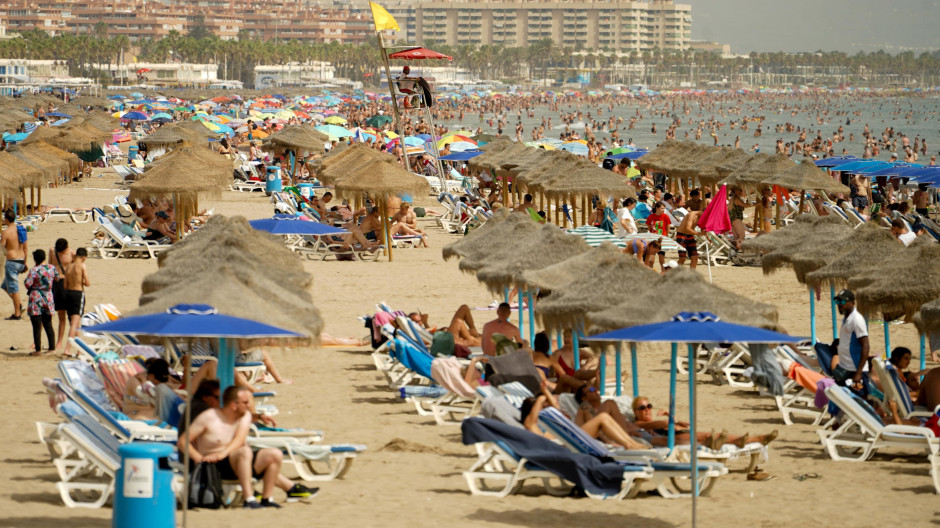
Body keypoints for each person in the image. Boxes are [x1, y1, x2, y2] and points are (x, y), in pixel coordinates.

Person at [178, 386, 317, 508]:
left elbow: (239, 440)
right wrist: (199, 458)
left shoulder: (244, 417)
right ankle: (249, 498)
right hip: (215, 466)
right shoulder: (209, 417)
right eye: (245, 402)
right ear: (233, 405)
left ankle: (267, 498)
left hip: (233, 458)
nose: (249, 405)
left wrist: (223, 453)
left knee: (274, 454)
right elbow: (183, 441)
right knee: (244, 451)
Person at [520, 381, 649, 450]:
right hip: (569, 443)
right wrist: (540, 398)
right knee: (602, 418)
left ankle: (630, 443)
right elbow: (531, 420)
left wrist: (545, 393)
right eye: (542, 408)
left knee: (587, 407)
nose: (545, 408)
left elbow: (555, 407)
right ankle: (629, 444)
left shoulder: (544, 421)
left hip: (572, 436)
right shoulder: (532, 426)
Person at [629, 395, 777, 449]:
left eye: (649, 406)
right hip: (670, 439)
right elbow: (661, 425)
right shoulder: (637, 425)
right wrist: (670, 419)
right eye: (642, 408)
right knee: (708, 436)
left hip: (676, 435)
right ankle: (753, 439)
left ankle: (744, 440)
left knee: (711, 436)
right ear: (635, 412)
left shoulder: (651, 423)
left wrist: (672, 418)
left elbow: (674, 424)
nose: (647, 410)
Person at [830, 289, 870, 395]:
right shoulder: (846, 318)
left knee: (861, 402)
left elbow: (865, 346)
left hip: (855, 370)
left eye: (843, 302)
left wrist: (859, 372)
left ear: (852, 303)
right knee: (838, 399)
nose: (839, 305)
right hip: (844, 367)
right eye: (837, 302)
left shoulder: (857, 320)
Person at [24, 249, 58, 355]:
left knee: (36, 325)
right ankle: (52, 348)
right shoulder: (52, 268)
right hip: (48, 296)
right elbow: (57, 279)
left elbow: (27, 284)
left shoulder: (34, 270)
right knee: (48, 323)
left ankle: (38, 349)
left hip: (36, 297)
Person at [408, 304, 482, 348]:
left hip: (449, 335)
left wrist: (426, 323)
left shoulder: (419, 329)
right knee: (458, 322)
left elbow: (429, 334)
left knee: (464, 308)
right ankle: (473, 338)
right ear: (411, 322)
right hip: (448, 339)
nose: (419, 323)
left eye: (420, 320)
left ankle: (474, 332)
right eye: (417, 321)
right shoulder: (414, 332)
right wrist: (430, 328)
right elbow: (428, 339)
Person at [61, 247, 89, 358]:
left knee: (75, 323)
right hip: (78, 294)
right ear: (83, 258)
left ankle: (80, 349)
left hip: (68, 294)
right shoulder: (82, 266)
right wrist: (80, 280)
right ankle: (67, 348)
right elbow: (87, 282)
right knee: (74, 323)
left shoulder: (68, 267)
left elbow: (65, 285)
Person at [2, 209, 27, 320]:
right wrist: (25, 262)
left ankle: (17, 314)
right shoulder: (21, 230)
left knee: (14, 288)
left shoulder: (6, 232)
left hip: (12, 262)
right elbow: (26, 248)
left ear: (6, 219)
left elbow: (2, 249)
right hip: (21, 260)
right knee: (5, 286)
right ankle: (19, 305)